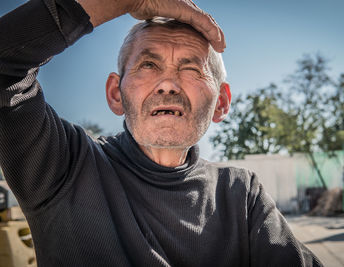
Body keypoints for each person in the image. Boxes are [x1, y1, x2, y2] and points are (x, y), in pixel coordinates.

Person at [0, 0, 322, 266]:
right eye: (148, 66)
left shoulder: (241, 194)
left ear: (221, 103)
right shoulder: (65, 165)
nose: (168, 84)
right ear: (116, 94)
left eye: (191, 69)